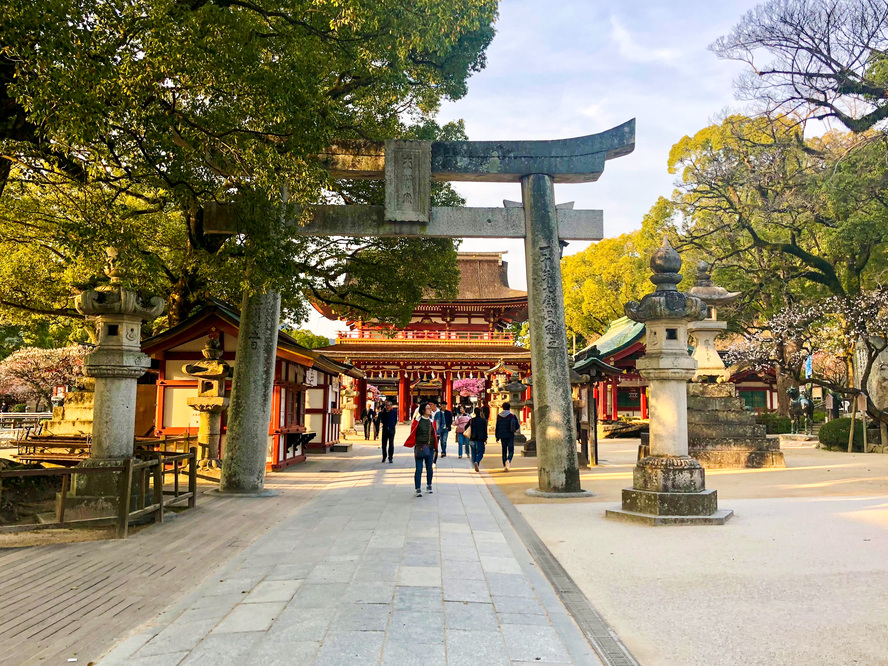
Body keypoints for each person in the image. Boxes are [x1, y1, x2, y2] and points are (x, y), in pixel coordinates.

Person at [404, 401, 437, 497]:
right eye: (428, 408)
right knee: (419, 469)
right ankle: (418, 488)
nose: (430, 410)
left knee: (429, 468)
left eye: (430, 408)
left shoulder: (432, 422)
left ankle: (429, 484)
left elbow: (434, 435)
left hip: (430, 447)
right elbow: (413, 434)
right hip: (419, 447)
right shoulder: (417, 421)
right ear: (423, 410)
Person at [495, 402, 520, 471]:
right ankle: (508, 460)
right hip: (510, 435)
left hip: (502, 436)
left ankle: (504, 465)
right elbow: (517, 425)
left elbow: (497, 427)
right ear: (509, 408)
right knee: (511, 450)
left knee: (504, 451)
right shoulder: (512, 416)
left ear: (502, 408)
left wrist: (497, 436)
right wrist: (513, 429)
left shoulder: (499, 416)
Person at [468, 407, 488, 472]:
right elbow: (485, 430)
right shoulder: (483, 421)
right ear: (480, 412)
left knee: (473, 453)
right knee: (481, 452)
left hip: (472, 438)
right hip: (480, 439)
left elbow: (466, 427)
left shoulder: (471, 420)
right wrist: (485, 438)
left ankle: (474, 465)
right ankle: (477, 461)